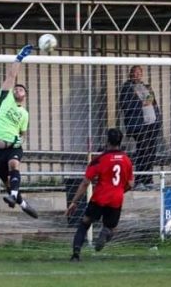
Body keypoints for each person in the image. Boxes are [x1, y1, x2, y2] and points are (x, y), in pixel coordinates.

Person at [66, 128, 134, 261]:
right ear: (120, 142)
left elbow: (85, 183)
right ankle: (106, 232)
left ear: (107, 141)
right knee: (112, 228)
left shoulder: (100, 159)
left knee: (85, 223)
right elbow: (131, 184)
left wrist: (74, 201)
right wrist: (120, 190)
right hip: (116, 199)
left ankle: (75, 254)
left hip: (100, 197)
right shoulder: (127, 160)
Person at [0, 44, 37, 219]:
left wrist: (21, 142)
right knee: (9, 183)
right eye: (16, 88)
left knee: (14, 165)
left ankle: (14, 197)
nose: (18, 89)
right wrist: (19, 58)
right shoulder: (4, 99)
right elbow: (11, 75)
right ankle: (22, 203)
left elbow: (23, 133)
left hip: (13, 148)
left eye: (21, 89)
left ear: (25, 95)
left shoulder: (24, 113)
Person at [119, 65, 162, 187]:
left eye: (139, 72)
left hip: (152, 123)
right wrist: (141, 103)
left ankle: (149, 180)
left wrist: (157, 117)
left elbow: (153, 102)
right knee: (142, 150)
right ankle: (139, 180)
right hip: (139, 124)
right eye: (135, 72)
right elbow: (124, 105)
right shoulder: (127, 88)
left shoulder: (146, 86)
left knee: (151, 151)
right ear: (131, 74)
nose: (137, 75)